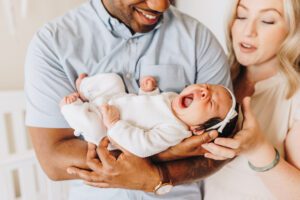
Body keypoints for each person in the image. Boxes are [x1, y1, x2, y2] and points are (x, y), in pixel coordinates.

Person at [25, 0, 233, 199]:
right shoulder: (52, 42)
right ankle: (85, 89)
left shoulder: (198, 40)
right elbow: (53, 160)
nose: (161, 5)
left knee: (92, 122)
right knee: (108, 86)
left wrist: (159, 178)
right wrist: (164, 157)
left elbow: (219, 149)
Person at [202, 0, 300, 199]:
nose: (248, 31)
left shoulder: (294, 97)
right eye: (242, 16)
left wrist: (258, 148)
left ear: (292, 30)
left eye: (267, 21)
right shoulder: (215, 81)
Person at [60, 73, 238, 157]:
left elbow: (142, 146)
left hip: (108, 130)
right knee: (113, 80)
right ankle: (84, 88)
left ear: (198, 129)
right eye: (206, 86)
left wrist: (114, 124)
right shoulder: (173, 98)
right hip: (115, 100)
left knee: (92, 127)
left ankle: (70, 108)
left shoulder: (175, 130)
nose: (204, 92)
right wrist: (149, 91)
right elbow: (149, 109)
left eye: (211, 102)